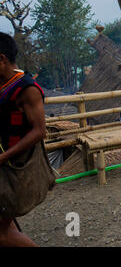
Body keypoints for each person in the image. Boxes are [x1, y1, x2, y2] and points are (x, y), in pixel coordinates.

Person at [0, 32, 46, 247]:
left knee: (2, 234)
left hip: (13, 165)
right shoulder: (3, 83)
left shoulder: (26, 89)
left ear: (2, 59)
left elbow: (39, 131)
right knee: (5, 227)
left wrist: (3, 157)